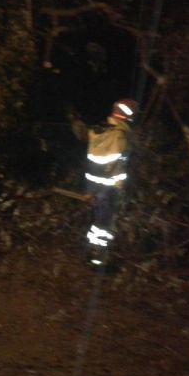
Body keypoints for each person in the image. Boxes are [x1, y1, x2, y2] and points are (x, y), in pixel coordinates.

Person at [70, 98, 138, 270]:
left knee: (98, 222)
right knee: (104, 225)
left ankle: (90, 255)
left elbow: (82, 134)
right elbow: (119, 163)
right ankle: (98, 261)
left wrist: (75, 121)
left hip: (92, 186)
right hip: (110, 188)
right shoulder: (120, 135)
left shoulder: (99, 130)